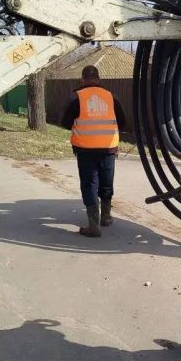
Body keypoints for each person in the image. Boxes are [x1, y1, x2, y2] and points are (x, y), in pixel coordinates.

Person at [61, 65, 126, 237]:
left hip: (85, 149)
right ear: (98, 79)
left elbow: (65, 122)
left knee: (90, 184)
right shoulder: (111, 97)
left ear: (82, 79)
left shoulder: (77, 97)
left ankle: (93, 226)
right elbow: (123, 122)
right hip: (108, 148)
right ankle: (106, 217)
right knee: (106, 182)